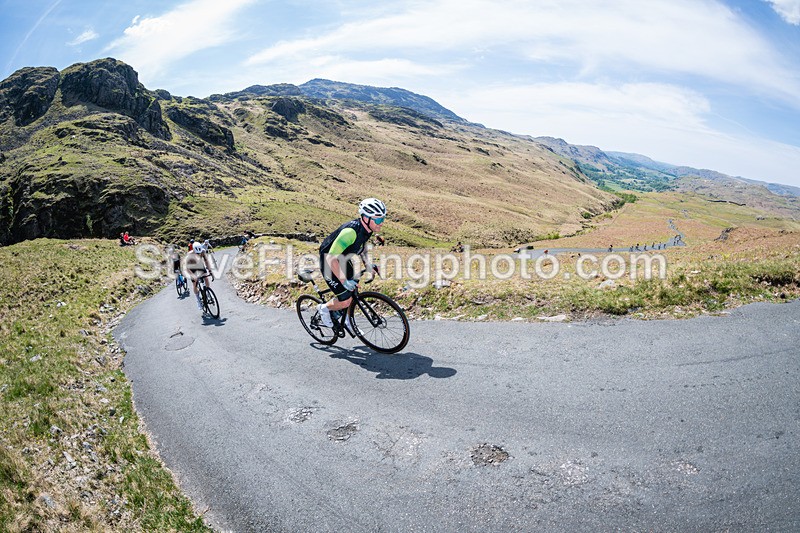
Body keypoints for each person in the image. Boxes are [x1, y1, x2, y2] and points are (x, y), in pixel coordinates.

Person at [316, 198, 385, 329]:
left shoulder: (367, 230)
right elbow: (331, 259)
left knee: (354, 290)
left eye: (383, 219)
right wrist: (344, 281)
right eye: (378, 219)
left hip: (343, 259)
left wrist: (368, 264)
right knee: (345, 300)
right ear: (365, 218)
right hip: (329, 261)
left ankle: (347, 319)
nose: (381, 223)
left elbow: (362, 247)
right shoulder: (350, 232)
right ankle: (323, 309)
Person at [186, 239, 214, 310]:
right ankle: (198, 299)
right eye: (197, 253)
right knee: (195, 283)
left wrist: (210, 271)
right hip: (191, 267)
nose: (198, 254)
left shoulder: (203, 251)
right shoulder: (190, 254)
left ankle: (207, 292)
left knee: (206, 278)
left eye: (199, 253)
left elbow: (206, 261)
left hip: (199, 265)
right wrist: (193, 276)